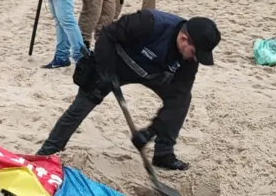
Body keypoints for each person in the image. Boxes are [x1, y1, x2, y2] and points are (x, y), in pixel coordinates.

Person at [36, 9, 221, 171]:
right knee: (81, 106)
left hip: (154, 74)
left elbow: (176, 99)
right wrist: (106, 70)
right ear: (184, 39)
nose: (196, 59)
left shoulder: (189, 60)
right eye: (196, 53)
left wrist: (150, 132)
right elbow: (107, 35)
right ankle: (47, 153)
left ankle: (163, 154)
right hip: (114, 64)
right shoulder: (149, 22)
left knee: (182, 102)